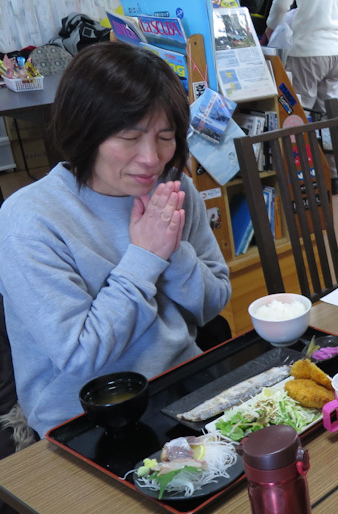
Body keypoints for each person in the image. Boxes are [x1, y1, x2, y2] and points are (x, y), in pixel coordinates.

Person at [0, 42, 232, 439]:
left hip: (185, 385)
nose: (152, 158)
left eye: (165, 135)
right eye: (129, 136)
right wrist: (145, 256)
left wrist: (173, 251)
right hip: (83, 419)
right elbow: (79, 356)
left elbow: (213, 305)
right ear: (84, 131)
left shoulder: (175, 190)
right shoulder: (31, 218)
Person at [264, 0, 338, 116]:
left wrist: (271, 28)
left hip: (306, 51)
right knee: (328, 119)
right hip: (337, 51)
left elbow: (281, 3)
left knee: (299, 116)